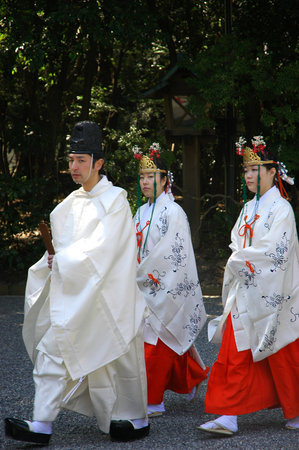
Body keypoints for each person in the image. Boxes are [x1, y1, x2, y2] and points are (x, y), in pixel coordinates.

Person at [4, 121, 149, 444]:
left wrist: (65, 262)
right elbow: (60, 251)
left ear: (98, 163)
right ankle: (41, 422)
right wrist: (51, 263)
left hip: (109, 294)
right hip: (76, 293)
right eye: (71, 160)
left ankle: (134, 417)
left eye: (81, 160)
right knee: (54, 350)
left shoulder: (115, 202)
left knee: (115, 360)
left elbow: (105, 251)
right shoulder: (67, 206)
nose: (74, 167)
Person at [198, 135, 299, 436]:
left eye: (257, 169)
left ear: (273, 172)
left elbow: (276, 251)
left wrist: (241, 259)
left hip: (276, 290)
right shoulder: (248, 208)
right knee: (234, 347)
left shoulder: (282, 209)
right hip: (248, 287)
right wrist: (241, 259)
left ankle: (294, 408)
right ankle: (228, 414)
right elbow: (236, 241)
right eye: (246, 170)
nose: (250, 175)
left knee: (283, 353)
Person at [132, 143, 209, 417]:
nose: (145, 182)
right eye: (142, 177)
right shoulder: (140, 212)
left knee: (157, 342)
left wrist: (148, 277)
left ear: (165, 180)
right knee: (153, 340)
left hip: (165, 286)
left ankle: (153, 400)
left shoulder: (173, 212)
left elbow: (175, 255)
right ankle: (191, 376)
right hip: (143, 285)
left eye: (151, 177)